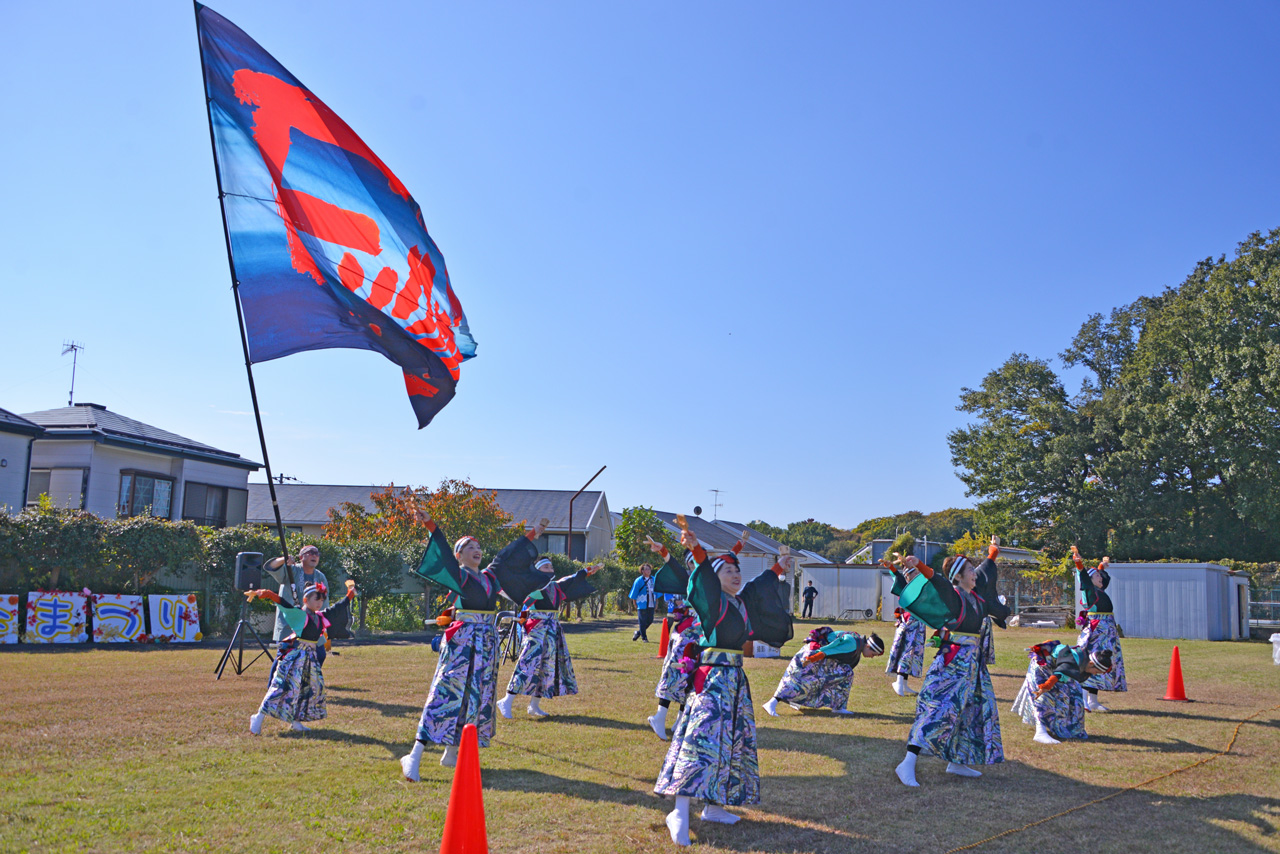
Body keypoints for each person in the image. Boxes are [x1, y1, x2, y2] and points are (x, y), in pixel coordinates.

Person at [653, 525, 794, 846]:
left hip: (735, 682)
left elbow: (759, 587)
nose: (735, 574)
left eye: (736, 570)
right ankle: (680, 810)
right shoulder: (713, 604)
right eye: (728, 571)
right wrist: (697, 551)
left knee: (731, 741)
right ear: (714, 580)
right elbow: (701, 577)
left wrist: (778, 568)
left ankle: (714, 807)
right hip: (712, 681)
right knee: (700, 742)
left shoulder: (740, 603)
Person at [399, 503, 547, 779]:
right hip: (462, 641)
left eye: (478, 546)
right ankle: (414, 755)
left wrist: (531, 535)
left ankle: (451, 753)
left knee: (477, 695)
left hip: (486, 642)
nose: (476, 549)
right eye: (469, 546)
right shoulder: (459, 575)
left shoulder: (490, 576)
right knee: (445, 694)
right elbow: (441, 550)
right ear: (459, 555)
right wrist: (431, 524)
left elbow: (506, 556)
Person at [891, 537, 1010, 788]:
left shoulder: (977, 599)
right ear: (958, 577)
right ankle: (908, 763)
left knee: (972, 710)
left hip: (973, 666)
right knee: (939, 709)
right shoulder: (954, 596)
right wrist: (920, 565)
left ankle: (957, 760)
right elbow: (938, 581)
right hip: (952, 664)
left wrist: (993, 554)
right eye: (969, 570)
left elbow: (988, 583)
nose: (974, 574)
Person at [247, 579, 356, 735]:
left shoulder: (319, 617)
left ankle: (296, 722)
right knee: (280, 687)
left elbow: (337, 608)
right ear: (306, 600)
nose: (320, 602)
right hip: (295, 657)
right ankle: (258, 717)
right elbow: (285, 604)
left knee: (304, 690)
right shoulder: (300, 615)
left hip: (309, 658)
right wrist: (270, 594)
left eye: (322, 599)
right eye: (316, 599)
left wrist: (350, 595)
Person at [496, 556, 600, 719]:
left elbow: (572, 577)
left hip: (552, 629)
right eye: (545, 567)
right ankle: (507, 700)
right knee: (528, 664)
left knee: (547, 666)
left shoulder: (556, 587)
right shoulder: (535, 588)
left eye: (551, 567)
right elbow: (525, 605)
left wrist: (587, 571)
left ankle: (534, 706)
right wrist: (522, 620)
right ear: (537, 571)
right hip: (536, 628)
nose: (550, 569)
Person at [645, 537, 704, 740]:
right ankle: (659, 717)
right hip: (685, 634)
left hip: (702, 636)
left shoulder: (710, 582)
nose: (694, 564)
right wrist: (663, 551)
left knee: (693, 677)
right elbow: (673, 565)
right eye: (691, 562)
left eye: (698, 560)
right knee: (675, 673)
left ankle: (680, 720)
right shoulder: (688, 580)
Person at [762, 626, 883, 716]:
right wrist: (812, 658)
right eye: (873, 654)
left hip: (819, 657)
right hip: (812, 655)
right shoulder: (852, 643)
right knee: (797, 680)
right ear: (868, 646)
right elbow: (828, 650)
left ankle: (838, 706)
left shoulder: (857, 642)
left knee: (846, 673)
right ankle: (771, 703)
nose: (872, 657)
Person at [1011, 640, 1114, 744]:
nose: (1095, 675)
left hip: (1056, 670)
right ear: (1091, 664)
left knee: (1075, 695)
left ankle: (1072, 729)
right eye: (1096, 672)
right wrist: (1046, 686)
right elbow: (1061, 672)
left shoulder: (1084, 660)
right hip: (1042, 667)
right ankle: (1040, 732)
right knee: (1045, 698)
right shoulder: (1074, 658)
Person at [1072, 545, 1127, 711]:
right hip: (1096, 632)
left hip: (1106, 631)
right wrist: (1079, 564)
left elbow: (1104, 578)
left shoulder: (1100, 591)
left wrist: (1102, 567)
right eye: (1097, 576)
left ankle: (1093, 702)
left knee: (1100, 664)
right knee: (1089, 663)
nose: (1100, 578)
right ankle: (1083, 701)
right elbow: (1084, 578)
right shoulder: (1089, 592)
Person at [264, 545, 327, 649]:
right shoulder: (291, 570)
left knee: (320, 654)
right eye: (310, 552)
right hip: (290, 623)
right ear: (301, 557)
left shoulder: (320, 576)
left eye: (317, 554)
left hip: (311, 625)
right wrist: (284, 559)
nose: (314, 556)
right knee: (286, 658)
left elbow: (324, 602)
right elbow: (271, 566)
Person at [882, 556, 925, 696]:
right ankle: (899, 682)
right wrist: (892, 567)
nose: (916, 575)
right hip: (909, 622)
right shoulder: (905, 587)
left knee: (912, 653)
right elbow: (898, 577)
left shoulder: (920, 586)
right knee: (906, 652)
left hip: (918, 622)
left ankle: (904, 684)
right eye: (913, 573)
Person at [628, 563, 658, 642]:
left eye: (649, 569)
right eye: (646, 569)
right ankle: (644, 638)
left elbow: (657, 592)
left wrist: (656, 603)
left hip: (651, 603)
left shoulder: (653, 579)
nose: (648, 571)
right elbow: (634, 592)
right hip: (642, 603)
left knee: (650, 620)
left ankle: (638, 633)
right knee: (642, 621)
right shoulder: (639, 580)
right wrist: (634, 603)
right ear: (642, 571)